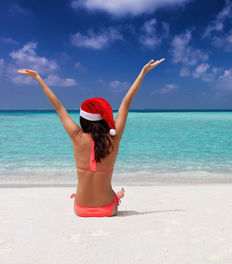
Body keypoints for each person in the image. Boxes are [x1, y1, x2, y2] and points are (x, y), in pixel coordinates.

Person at [18, 58, 165, 217]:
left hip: (81, 209)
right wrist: (142, 73)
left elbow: (58, 106)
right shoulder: (113, 139)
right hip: (107, 209)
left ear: (83, 119)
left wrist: (38, 78)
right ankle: (116, 197)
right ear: (104, 119)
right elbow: (126, 103)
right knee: (113, 193)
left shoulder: (77, 136)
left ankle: (114, 196)